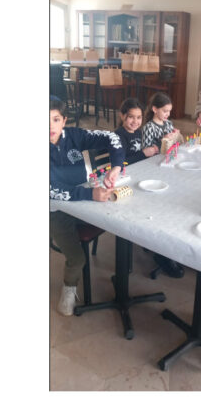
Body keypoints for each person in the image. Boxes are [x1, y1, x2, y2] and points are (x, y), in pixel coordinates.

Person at [50, 98, 125, 316]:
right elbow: (50, 188)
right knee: (77, 259)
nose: (50, 126)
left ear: (64, 120)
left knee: (121, 220)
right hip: (56, 211)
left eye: (55, 119)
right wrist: (90, 194)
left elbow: (112, 137)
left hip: (85, 203)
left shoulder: (74, 136)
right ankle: (69, 288)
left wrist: (116, 166)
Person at [139, 92, 185, 279]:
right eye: (164, 111)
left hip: (167, 166)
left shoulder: (168, 124)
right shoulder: (149, 127)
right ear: (154, 109)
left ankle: (167, 245)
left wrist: (175, 137)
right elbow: (145, 151)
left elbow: (176, 144)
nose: (167, 114)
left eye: (169, 111)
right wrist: (164, 140)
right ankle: (159, 247)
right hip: (152, 169)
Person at [115, 97, 159, 164]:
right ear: (122, 115)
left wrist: (153, 149)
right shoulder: (118, 136)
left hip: (139, 165)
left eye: (139, 117)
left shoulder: (138, 132)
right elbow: (120, 161)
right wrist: (143, 153)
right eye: (131, 117)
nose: (135, 121)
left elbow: (139, 152)